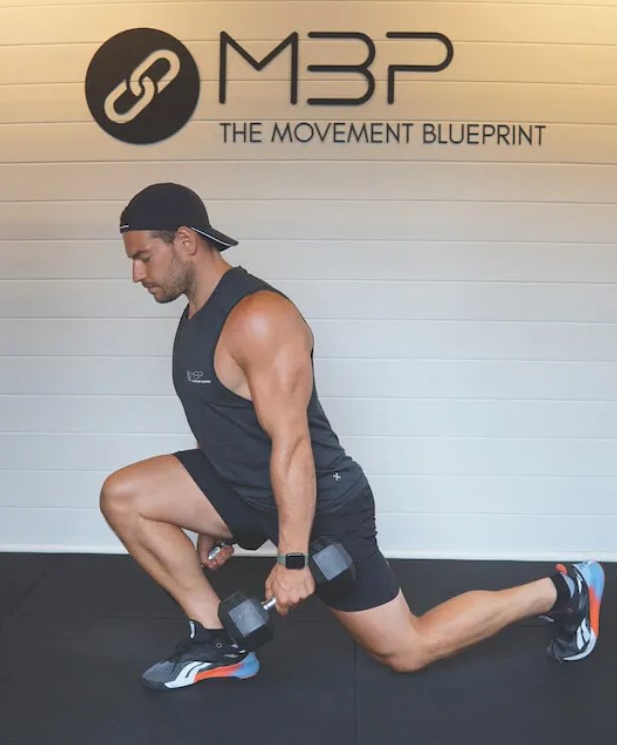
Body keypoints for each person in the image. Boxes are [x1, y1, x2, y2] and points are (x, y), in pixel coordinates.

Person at [100, 182, 605, 691]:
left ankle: (565, 591)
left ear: (186, 241)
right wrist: (213, 519)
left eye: (144, 257)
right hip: (248, 487)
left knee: (407, 648)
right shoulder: (194, 314)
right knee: (124, 496)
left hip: (321, 500)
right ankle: (220, 641)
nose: (136, 274)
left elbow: (293, 444)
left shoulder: (258, 318)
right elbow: (224, 421)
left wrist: (292, 557)